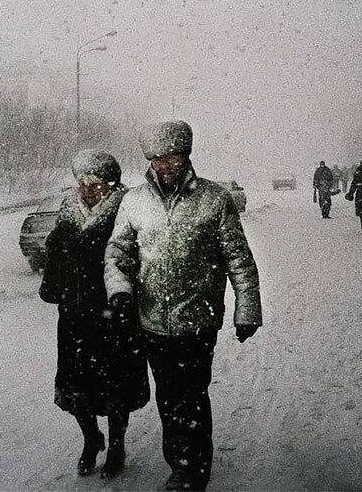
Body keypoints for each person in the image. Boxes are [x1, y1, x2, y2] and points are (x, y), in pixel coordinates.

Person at [104, 120, 263, 491]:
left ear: (186, 156)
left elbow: (238, 258)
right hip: (152, 320)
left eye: (173, 157)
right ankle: (180, 462)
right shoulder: (134, 201)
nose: (166, 166)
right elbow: (117, 253)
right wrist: (120, 290)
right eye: (158, 159)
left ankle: (192, 469)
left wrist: (247, 308)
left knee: (191, 395)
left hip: (198, 320)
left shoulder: (214, 199)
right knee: (168, 396)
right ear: (150, 161)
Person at [38, 149, 149, 479]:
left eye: (95, 183)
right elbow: (57, 254)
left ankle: (116, 446)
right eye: (82, 183)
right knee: (76, 388)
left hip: (114, 316)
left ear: (111, 184)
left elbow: (139, 259)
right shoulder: (68, 211)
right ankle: (91, 439)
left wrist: (127, 296)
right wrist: (52, 284)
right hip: (74, 318)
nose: (87, 190)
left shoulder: (126, 211)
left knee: (116, 389)